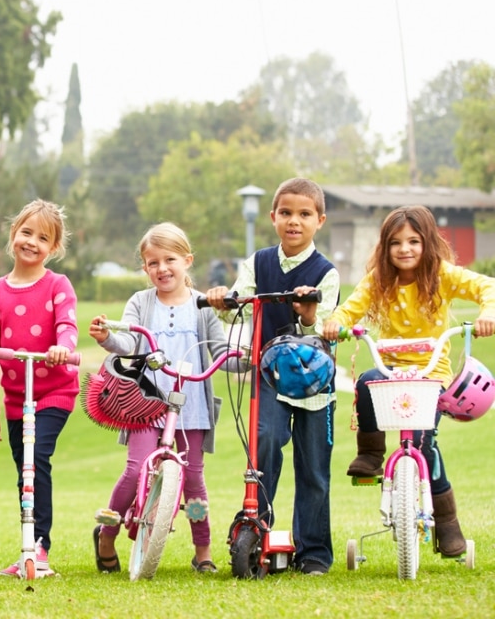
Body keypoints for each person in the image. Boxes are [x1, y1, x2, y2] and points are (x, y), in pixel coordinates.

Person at [321, 205, 495, 558]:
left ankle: (447, 523)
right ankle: (371, 452)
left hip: (432, 373)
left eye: (414, 241)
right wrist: (333, 323)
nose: (405, 249)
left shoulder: (442, 276)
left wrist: (487, 313)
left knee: (425, 443)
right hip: (391, 371)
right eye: (396, 242)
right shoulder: (378, 281)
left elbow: (486, 286)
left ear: (427, 243)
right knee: (367, 383)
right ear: (385, 247)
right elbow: (349, 309)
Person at [204, 177, 340, 576]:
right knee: (263, 441)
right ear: (273, 217)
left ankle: (313, 552)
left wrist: (310, 313)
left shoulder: (325, 272)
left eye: (304, 214)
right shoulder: (259, 262)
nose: (293, 221)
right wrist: (221, 300)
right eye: (286, 213)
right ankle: (256, 529)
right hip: (269, 370)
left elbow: (326, 325)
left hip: (314, 378)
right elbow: (238, 304)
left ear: (320, 220)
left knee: (313, 466)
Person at [89, 222, 232, 574]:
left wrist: (241, 357)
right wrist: (108, 337)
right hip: (146, 403)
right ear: (144, 268)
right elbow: (128, 342)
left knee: (194, 482)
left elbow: (220, 350)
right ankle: (107, 534)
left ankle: (203, 549)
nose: (162, 268)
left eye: (170, 260)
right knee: (136, 468)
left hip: (191, 405)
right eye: (152, 263)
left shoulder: (202, 306)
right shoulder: (141, 302)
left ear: (187, 261)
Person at [0, 199, 78, 577]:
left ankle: (40, 546)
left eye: (42, 237)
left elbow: (67, 325)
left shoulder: (57, 285)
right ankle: (26, 545)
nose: (32, 242)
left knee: (36, 462)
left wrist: (62, 349)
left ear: (53, 248)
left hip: (54, 392)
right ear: (13, 235)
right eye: (26, 232)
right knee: (23, 470)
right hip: (17, 400)